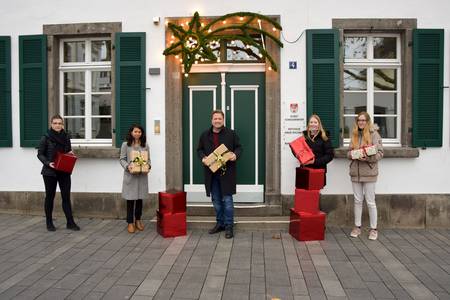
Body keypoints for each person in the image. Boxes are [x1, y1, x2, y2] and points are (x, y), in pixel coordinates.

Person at [197, 110, 242, 239]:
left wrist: (235, 155)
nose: (217, 121)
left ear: (223, 120)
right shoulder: (204, 135)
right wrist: (203, 158)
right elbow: (199, 150)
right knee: (216, 201)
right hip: (211, 173)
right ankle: (220, 223)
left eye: (219, 119)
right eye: (215, 119)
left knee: (227, 201)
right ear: (212, 120)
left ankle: (229, 226)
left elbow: (239, 148)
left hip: (226, 173)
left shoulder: (231, 134)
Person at [37, 115, 80, 232]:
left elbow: (67, 150)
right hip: (49, 172)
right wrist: (47, 163)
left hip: (64, 170)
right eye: (55, 123)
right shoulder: (45, 137)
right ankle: (49, 222)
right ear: (51, 124)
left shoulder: (66, 136)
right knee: (50, 197)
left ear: (62, 125)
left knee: (66, 197)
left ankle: (70, 222)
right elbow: (40, 154)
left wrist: (70, 153)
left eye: (59, 123)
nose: (57, 125)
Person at [347, 112, 383, 241]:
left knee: (370, 201)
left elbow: (380, 153)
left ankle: (374, 229)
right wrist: (353, 155)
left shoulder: (374, 134)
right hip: (355, 173)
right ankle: (357, 227)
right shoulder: (354, 135)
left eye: (363, 120)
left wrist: (368, 158)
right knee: (357, 201)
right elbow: (349, 152)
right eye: (359, 120)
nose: (361, 122)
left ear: (367, 121)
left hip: (369, 172)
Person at [120, 124, 151, 233]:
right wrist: (127, 166)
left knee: (139, 200)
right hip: (130, 176)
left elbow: (149, 160)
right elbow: (122, 159)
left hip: (142, 177)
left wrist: (149, 166)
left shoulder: (145, 145)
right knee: (130, 200)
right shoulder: (125, 145)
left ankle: (138, 220)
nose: (137, 133)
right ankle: (130, 222)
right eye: (135, 131)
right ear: (131, 132)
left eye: (139, 132)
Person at [302, 114, 334, 181]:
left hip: (319, 170)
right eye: (311, 122)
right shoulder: (304, 137)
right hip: (305, 170)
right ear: (308, 124)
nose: (313, 124)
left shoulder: (324, 137)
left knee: (316, 190)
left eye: (315, 122)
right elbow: (298, 151)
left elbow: (330, 155)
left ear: (319, 124)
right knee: (305, 191)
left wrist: (314, 162)